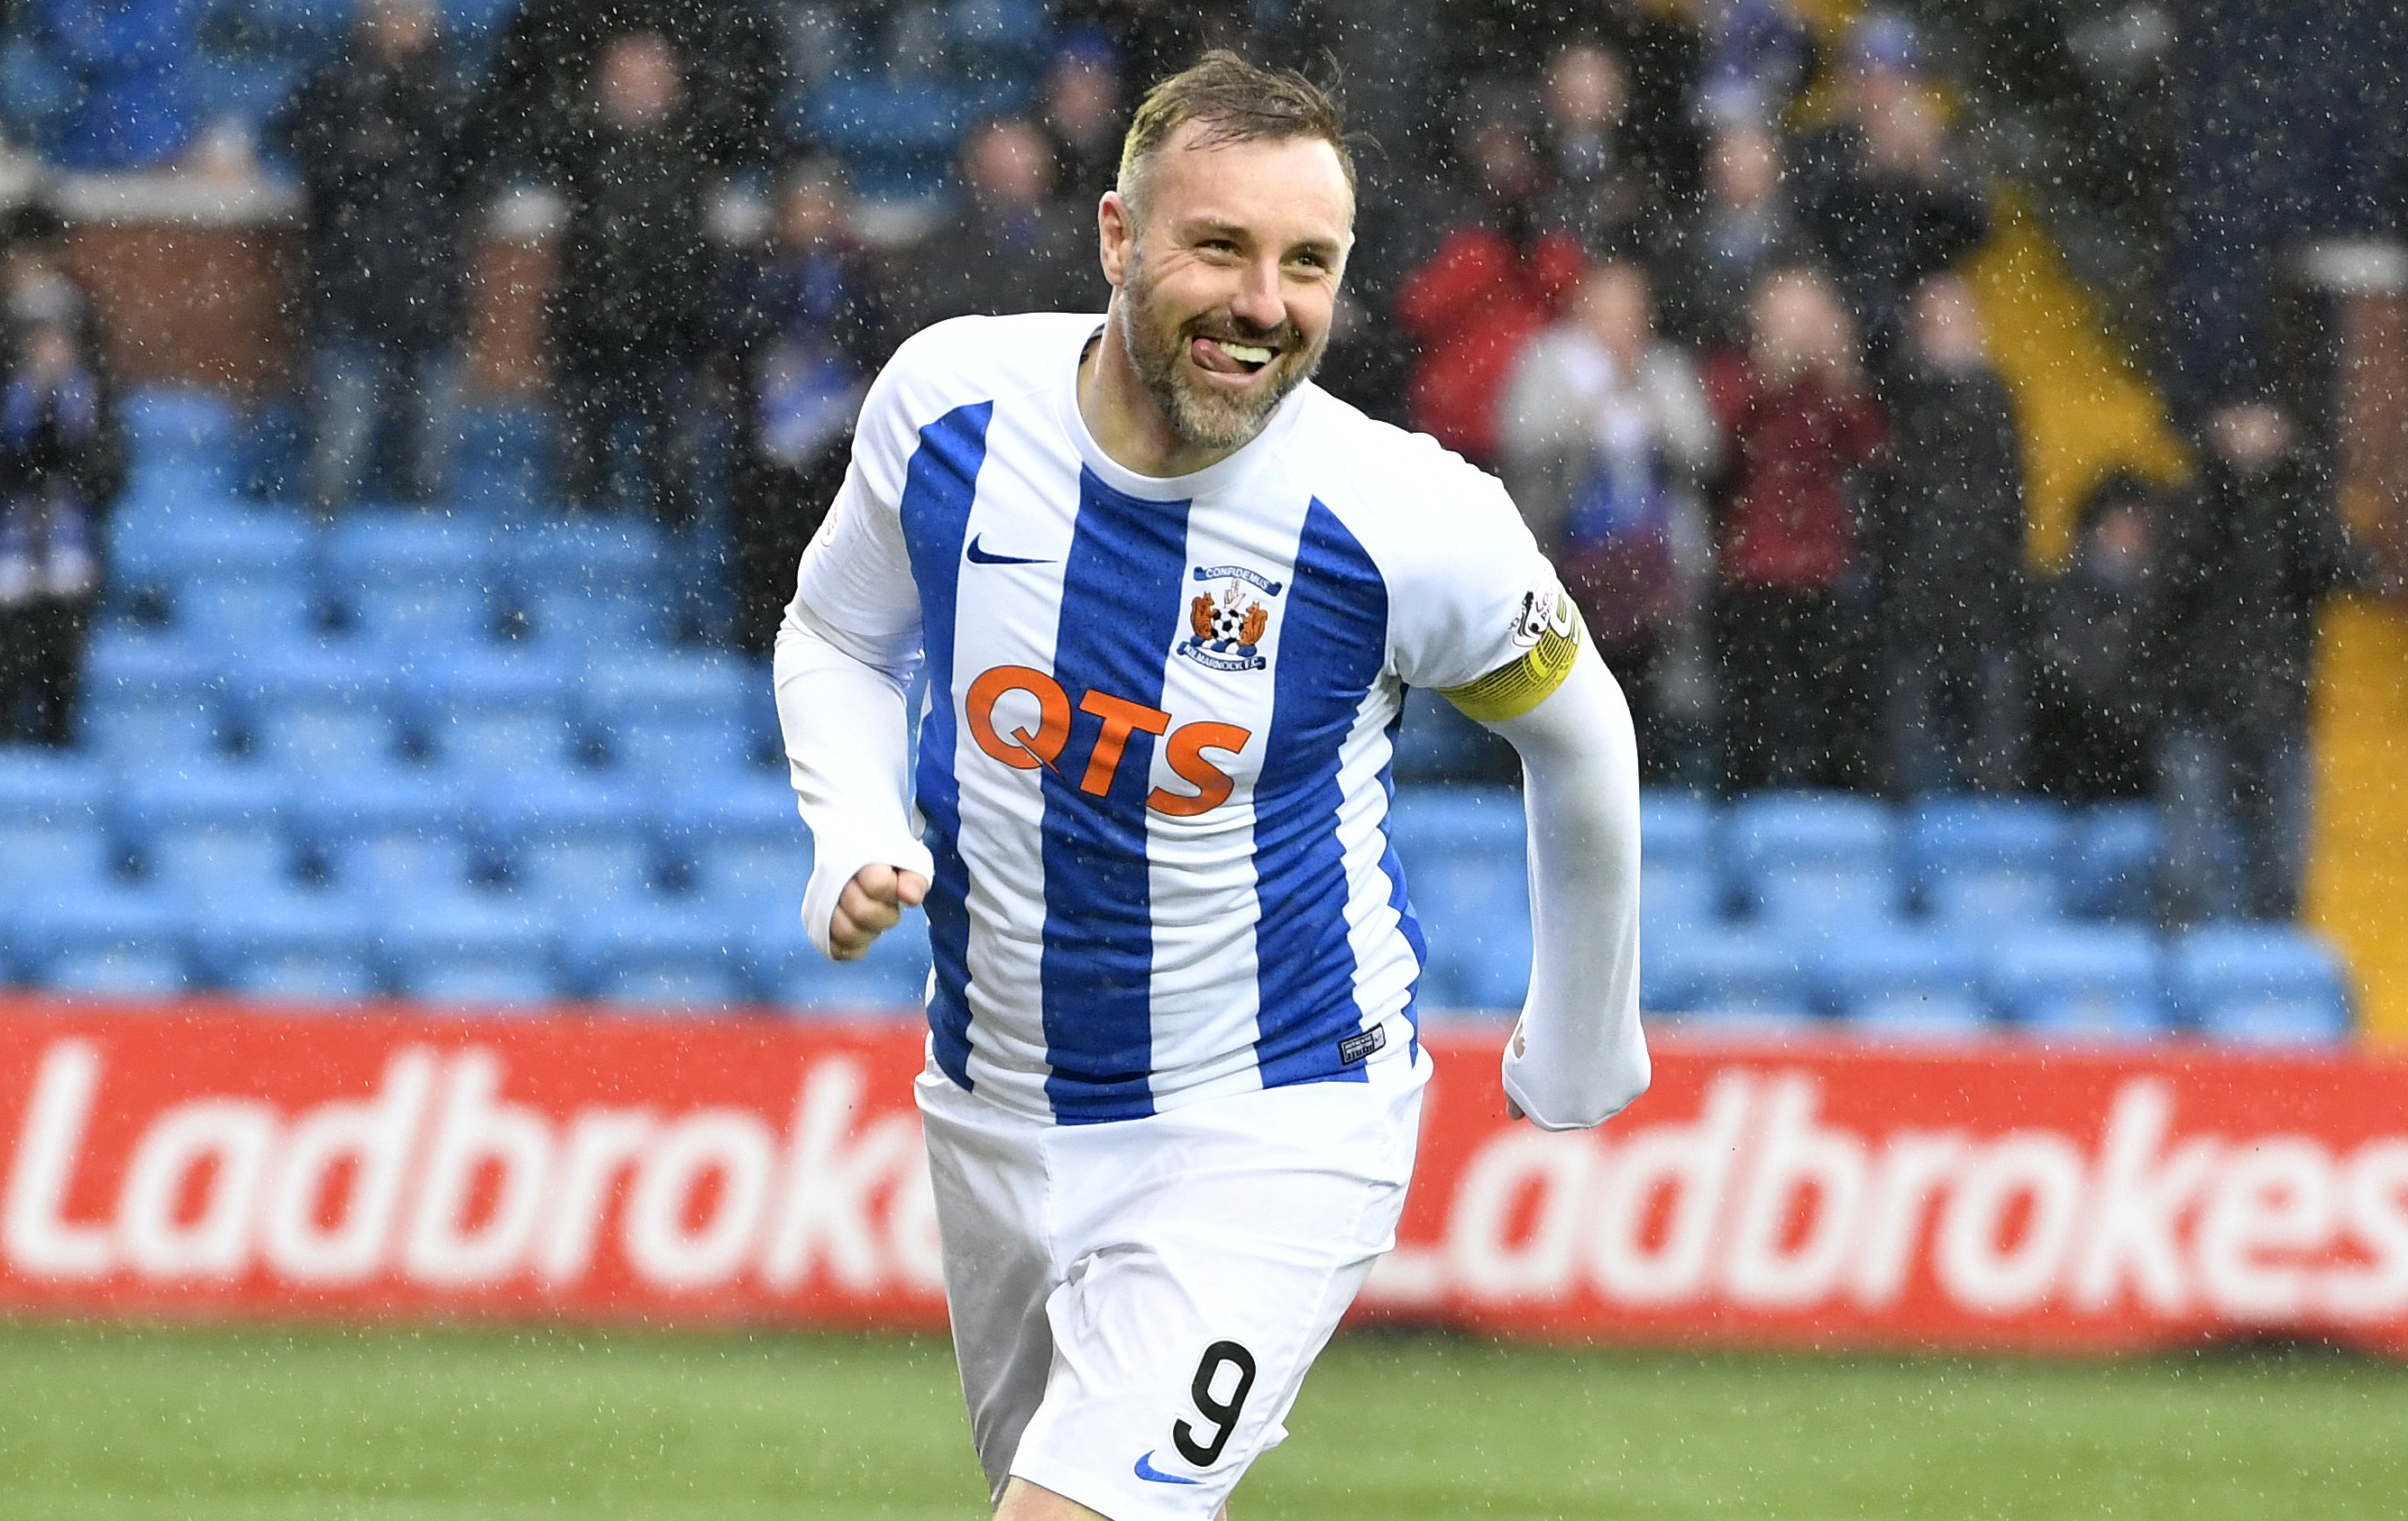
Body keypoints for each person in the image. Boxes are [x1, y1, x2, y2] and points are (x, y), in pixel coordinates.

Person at [773, 51, 1646, 1521]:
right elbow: (837, 636)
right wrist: (848, 828)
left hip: (1275, 1114)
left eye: (1308, 263)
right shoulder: (948, 409)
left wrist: (1582, 1034)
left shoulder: (1407, 517)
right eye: (1220, 247)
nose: (1265, 303)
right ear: (1118, 237)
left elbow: (1583, 733)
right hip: (996, 1110)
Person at [2140, 399, 2376, 923]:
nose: (2250, 436)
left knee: (2283, 876)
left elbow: (2351, 567)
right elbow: (2173, 581)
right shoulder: (2193, 501)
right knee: (2186, 873)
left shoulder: (2298, 506)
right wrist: (2233, 488)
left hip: (2278, 712)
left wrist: (2286, 483)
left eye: (2262, 421)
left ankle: (2270, 989)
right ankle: (2188, 983)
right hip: (2201, 708)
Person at [1500, 258, 1718, 783]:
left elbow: (1703, 450)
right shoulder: (1549, 362)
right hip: (1572, 558)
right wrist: (1586, 416)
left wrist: (1648, 401)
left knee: (1648, 698)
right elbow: (1520, 441)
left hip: (1652, 567)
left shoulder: (1662, 369)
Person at [272, 0, 467, 511]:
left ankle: (424, 583)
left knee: (428, 475)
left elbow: (477, 174)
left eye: (412, 15)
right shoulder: (333, 87)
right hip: (350, 301)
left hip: (428, 306)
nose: (401, 26)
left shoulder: (452, 95)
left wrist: (389, 138)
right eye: (393, 13)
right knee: (334, 469)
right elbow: (309, 152)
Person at [1703, 263, 1886, 793]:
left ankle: (1836, 829)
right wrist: (1770, 374)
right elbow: (1717, 445)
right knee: (1752, 718)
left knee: (1836, 716)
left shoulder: (1827, 384)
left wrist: (1842, 372)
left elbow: (1870, 447)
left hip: (1823, 568)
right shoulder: (1734, 369)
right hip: (1753, 567)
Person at [713, 160, 894, 657]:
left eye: (823, 207)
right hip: (767, 441)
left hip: (836, 440)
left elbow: (876, 346)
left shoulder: (857, 277)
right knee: (766, 549)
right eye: (803, 208)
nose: (813, 220)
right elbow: (732, 344)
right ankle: (759, 637)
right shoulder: (753, 273)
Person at [1868, 273, 2028, 794]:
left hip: (1981, 609)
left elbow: (2002, 512)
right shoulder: (1902, 397)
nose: (1942, 335)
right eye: (1930, 323)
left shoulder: (1994, 402)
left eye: (1951, 321)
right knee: (1918, 774)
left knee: (1992, 768)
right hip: (1916, 611)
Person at [0, 277, 125, 747]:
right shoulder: (9, 395)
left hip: (69, 551)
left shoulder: (95, 398)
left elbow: (109, 476)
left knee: (63, 661)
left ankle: (58, 736)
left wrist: (69, 457)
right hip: (10, 548)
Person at [898, 115, 1101, 336]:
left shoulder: (1082, 237)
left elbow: (1094, 313)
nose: (1018, 167)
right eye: (1005, 160)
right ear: (976, 169)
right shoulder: (944, 245)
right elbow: (933, 319)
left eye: (1025, 157)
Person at [2030, 472, 2158, 800]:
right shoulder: (2061, 598)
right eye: (2118, 526)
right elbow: (2061, 682)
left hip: (2142, 775)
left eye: (2138, 529)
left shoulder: (2164, 603)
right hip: (2065, 768)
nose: (2128, 540)